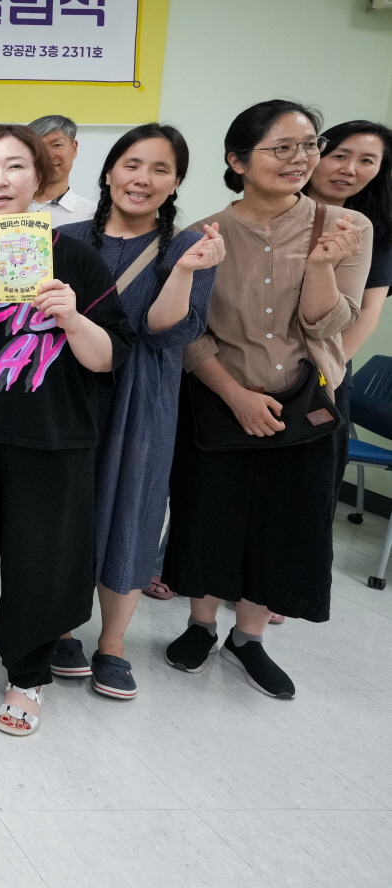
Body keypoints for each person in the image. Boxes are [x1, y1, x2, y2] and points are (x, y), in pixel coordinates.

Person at [0, 123, 133, 736]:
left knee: (44, 563)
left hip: (54, 440)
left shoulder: (77, 260)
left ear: (39, 178)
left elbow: (108, 358)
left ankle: (28, 674)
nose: (1, 180)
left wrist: (72, 319)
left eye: (15, 167)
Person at [164, 101, 371, 699]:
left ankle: (249, 637)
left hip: (308, 401)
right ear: (238, 160)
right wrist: (235, 395)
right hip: (219, 395)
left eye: (308, 145)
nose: (299, 159)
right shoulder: (202, 235)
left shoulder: (346, 226)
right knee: (209, 513)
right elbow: (189, 331)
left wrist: (322, 265)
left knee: (289, 522)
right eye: (281, 147)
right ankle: (201, 625)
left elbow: (331, 323)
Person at [56, 125, 224, 699]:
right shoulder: (64, 238)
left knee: (131, 512)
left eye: (160, 169)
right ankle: (60, 629)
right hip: (69, 392)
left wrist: (184, 271)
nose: (142, 179)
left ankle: (113, 645)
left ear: (175, 182)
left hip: (141, 398)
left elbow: (166, 329)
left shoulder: (190, 247)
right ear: (108, 172)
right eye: (132, 164)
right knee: (63, 514)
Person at [306, 120, 392, 361]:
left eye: (367, 161)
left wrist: (327, 370)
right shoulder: (272, 217)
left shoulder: (378, 232)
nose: (349, 169)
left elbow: (369, 310)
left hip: (325, 366)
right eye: (340, 156)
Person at [28, 115, 98, 226]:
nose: (48, 155)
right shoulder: (6, 208)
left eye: (57, 145)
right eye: (39, 147)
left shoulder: (93, 214)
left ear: (74, 148)